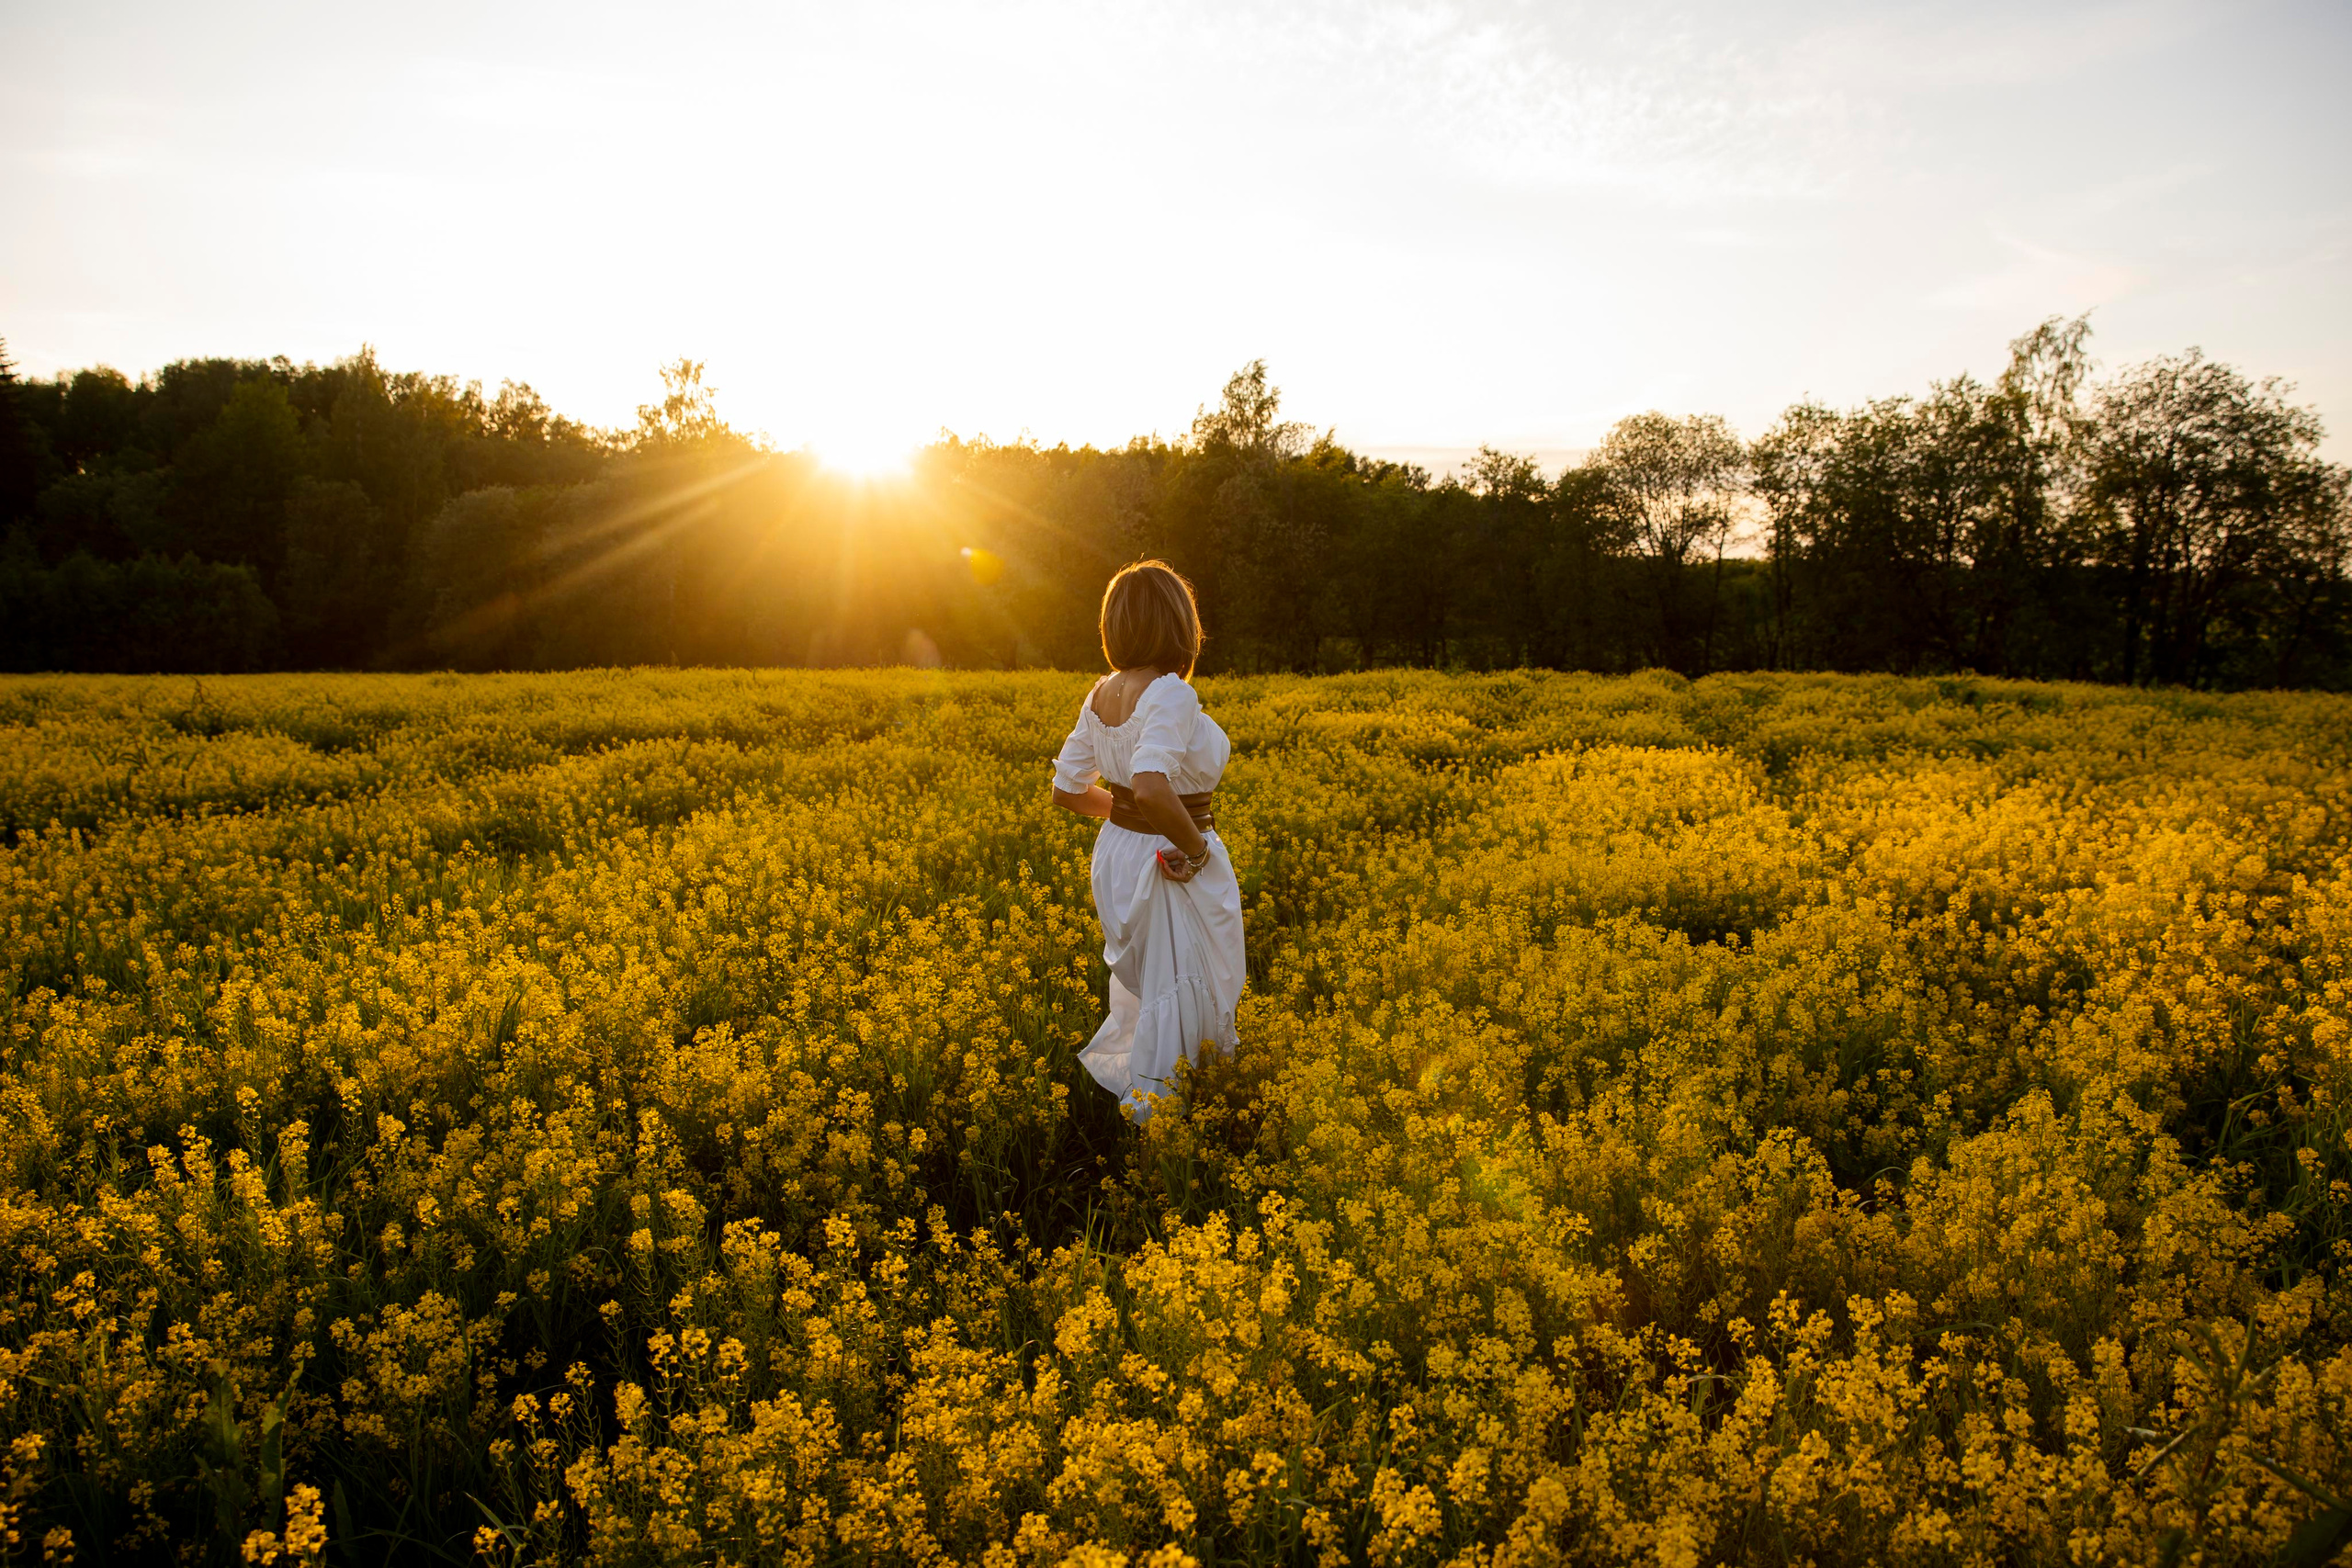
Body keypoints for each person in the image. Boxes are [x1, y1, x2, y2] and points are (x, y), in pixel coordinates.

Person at [1049, 560, 1244, 1122]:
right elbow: (1153, 788)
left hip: (1120, 851)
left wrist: (1129, 818)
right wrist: (1199, 852)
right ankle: (1166, 1116)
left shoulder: (1101, 693)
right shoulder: (1171, 692)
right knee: (1185, 980)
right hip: (1173, 854)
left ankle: (1165, 1099)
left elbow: (1067, 789)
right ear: (1180, 626)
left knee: (1163, 980)